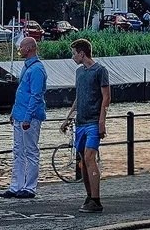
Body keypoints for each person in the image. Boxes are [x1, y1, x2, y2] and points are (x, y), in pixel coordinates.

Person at [60, 39, 111, 213]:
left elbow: (106, 97)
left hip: (93, 122)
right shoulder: (79, 72)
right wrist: (68, 118)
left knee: (90, 157)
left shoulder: (100, 70)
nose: (73, 56)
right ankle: (90, 196)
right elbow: (78, 97)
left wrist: (101, 121)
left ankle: (96, 200)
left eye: (74, 53)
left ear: (82, 53)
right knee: (83, 160)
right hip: (81, 122)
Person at [1, 37, 46, 198]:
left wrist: (27, 117)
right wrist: (14, 111)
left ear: (30, 48)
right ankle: (16, 186)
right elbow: (21, 92)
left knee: (31, 151)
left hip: (30, 117)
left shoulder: (37, 69)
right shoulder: (27, 67)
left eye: (21, 47)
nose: (19, 49)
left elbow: (36, 95)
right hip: (20, 115)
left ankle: (30, 187)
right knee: (18, 150)